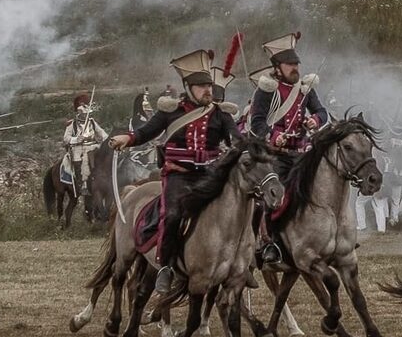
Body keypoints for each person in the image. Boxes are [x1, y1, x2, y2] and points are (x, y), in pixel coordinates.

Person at [108, 50, 238, 301]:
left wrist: (250, 145)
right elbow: (146, 132)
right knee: (174, 213)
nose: (207, 90)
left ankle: (241, 260)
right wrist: (128, 138)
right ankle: (166, 267)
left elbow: (237, 137)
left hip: (210, 177)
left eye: (209, 85)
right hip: (179, 177)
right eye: (201, 86)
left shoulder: (221, 114)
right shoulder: (171, 112)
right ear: (188, 87)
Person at [248, 32, 329, 264]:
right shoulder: (266, 91)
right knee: (276, 197)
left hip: (301, 153)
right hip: (276, 156)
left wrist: (315, 121)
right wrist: (274, 136)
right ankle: (271, 242)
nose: (295, 68)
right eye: (290, 64)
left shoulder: (305, 89)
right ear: (277, 66)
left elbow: (322, 112)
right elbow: (257, 123)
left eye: (296, 64)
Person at [62, 93, 106, 194]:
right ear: (79, 112)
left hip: (92, 146)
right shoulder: (72, 124)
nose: (86, 115)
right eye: (84, 113)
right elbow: (66, 139)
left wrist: (109, 140)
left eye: (87, 113)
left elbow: (102, 133)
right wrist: (77, 139)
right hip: (78, 148)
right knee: (79, 160)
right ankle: (82, 183)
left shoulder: (92, 122)